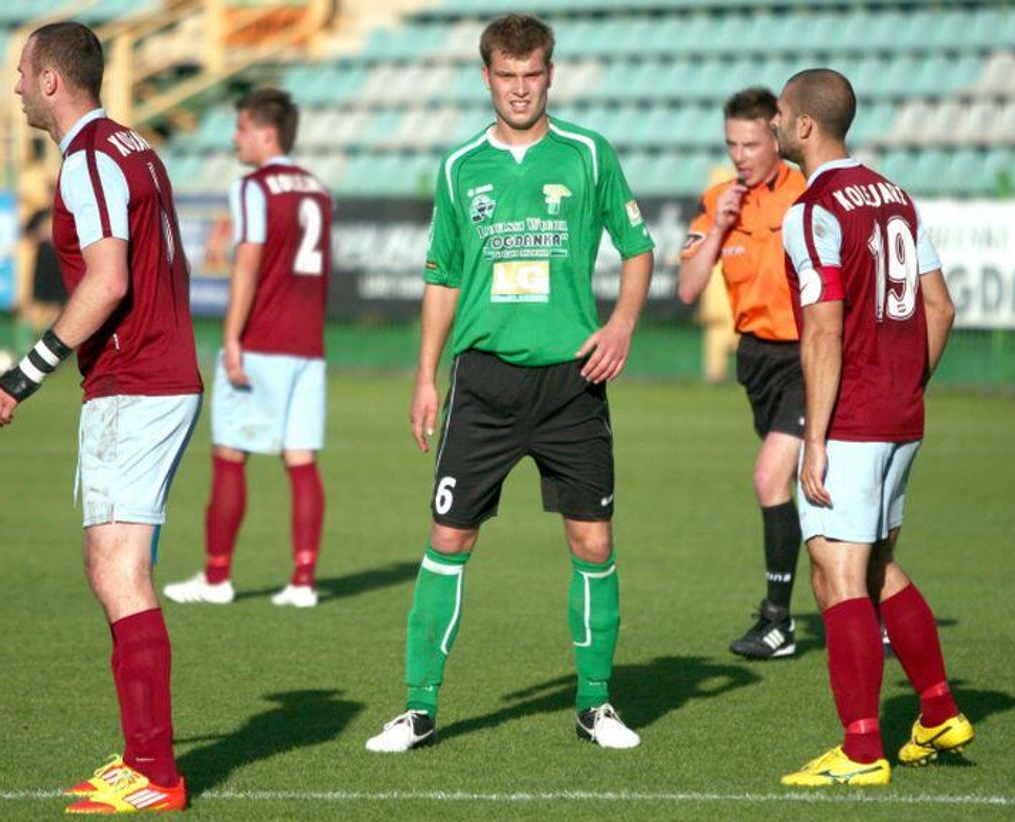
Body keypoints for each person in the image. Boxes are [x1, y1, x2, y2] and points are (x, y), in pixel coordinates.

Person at [364, 13, 655, 753]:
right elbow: (442, 276)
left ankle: (596, 704)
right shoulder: (462, 166)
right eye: (506, 76)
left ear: (550, 75)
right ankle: (418, 708)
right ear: (487, 77)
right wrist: (425, 376)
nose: (520, 89)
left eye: (532, 76)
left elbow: (638, 248)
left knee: (592, 540)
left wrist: (620, 323)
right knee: (447, 535)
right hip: (483, 382)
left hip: (572, 382)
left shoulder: (589, 155)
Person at [0, 22, 201, 813]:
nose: (14, 88)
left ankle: (155, 774)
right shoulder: (133, 146)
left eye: (20, 73)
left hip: (136, 381)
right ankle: (144, 760)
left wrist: (22, 375)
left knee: (117, 569)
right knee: (114, 565)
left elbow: (107, 281)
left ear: (50, 82)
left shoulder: (88, 158)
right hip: (155, 376)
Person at [773, 68, 972, 787]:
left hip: (852, 418)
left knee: (837, 572)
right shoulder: (894, 194)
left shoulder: (811, 208)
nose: (773, 125)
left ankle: (861, 753)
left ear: (803, 127)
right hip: (901, 409)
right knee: (879, 563)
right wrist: (906, 383)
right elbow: (941, 308)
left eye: (780, 114)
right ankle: (940, 712)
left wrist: (817, 439)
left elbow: (822, 330)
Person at [163, 88, 332, 609]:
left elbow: (248, 261)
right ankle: (303, 581)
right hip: (309, 345)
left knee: (229, 456)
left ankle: (218, 577)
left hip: (262, 340)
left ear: (265, 132)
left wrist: (232, 338)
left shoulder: (254, 186)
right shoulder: (318, 189)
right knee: (301, 461)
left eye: (240, 129)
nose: (235, 138)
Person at [677, 87, 807, 659]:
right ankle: (870, 608)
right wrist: (722, 229)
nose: (740, 155)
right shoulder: (717, 200)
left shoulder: (806, 194)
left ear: (775, 138)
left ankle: (777, 620)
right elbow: (686, 289)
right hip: (756, 362)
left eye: (750, 143)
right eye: (732, 144)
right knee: (816, 493)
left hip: (809, 358)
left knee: (769, 479)